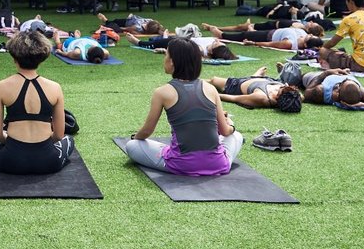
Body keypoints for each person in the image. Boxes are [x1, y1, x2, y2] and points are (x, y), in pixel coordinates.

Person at [122, 37, 242, 175]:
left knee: (132, 146)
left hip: (181, 165)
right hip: (218, 164)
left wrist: (135, 137)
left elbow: (147, 132)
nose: (164, 59)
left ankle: (172, 153)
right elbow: (226, 131)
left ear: (172, 62)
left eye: (166, 55)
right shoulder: (211, 89)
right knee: (236, 136)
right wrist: (232, 126)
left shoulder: (162, 92)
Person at [0, 29, 73, 174]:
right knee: (69, 140)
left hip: (10, 162)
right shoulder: (55, 88)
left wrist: (13, 142)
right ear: (42, 57)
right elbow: (59, 136)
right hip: (49, 162)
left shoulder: (0, 87)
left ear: (14, 57)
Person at [295, 65, 364, 111]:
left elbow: (307, 93)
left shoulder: (321, 91)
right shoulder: (363, 94)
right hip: (332, 74)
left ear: (337, 94)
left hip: (318, 77)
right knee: (297, 78)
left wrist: (325, 74)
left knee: (299, 79)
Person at [206, 67, 304, 113]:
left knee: (213, 80)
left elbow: (234, 98)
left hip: (236, 84)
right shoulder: (294, 97)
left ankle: (193, 82)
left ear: (279, 97)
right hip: (266, 81)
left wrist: (215, 94)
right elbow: (299, 96)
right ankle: (256, 76)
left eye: (283, 88)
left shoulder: (262, 98)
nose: (283, 86)